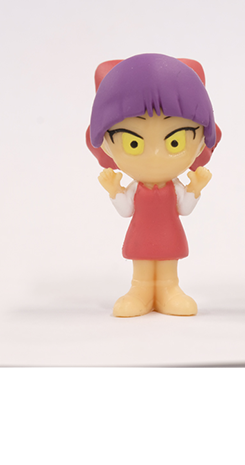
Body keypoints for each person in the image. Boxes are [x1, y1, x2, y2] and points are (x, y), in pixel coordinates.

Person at [87, 53, 219, 317]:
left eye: (175, 142)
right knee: (142, 265)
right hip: (141, 236)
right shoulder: (136, 188)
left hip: (169, 234)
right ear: (107, 145)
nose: (156, 155)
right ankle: (140, 290)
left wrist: (195, 188)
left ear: (200, 143)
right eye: (133, 143)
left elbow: (185, 208)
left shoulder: (175, 187)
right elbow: (126, 210)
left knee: (168, 263)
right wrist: (114, 190)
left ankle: (170, 289)